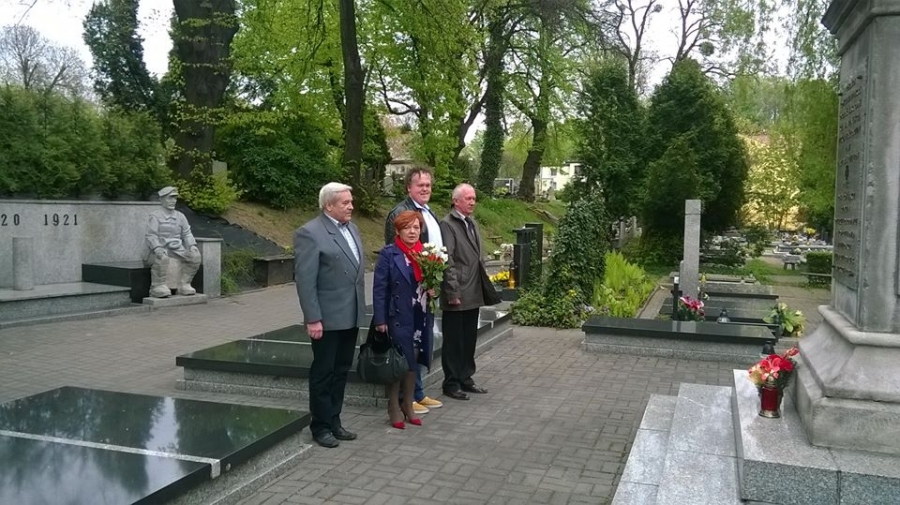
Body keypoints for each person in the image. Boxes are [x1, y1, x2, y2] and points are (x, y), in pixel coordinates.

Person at [293, 182, 366, 448]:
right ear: (328, 205)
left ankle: (335, 421)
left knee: (341, 370)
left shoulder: (352, 229)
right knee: (324, 372)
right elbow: (305, 281)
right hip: (327, 318)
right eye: (345, 202)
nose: (351, 206)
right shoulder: (310, 233)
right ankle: (320, 426)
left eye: (351, 201)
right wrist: (313, 318)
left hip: (350, 314)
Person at [383, 167, 444, 414]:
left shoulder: (428, 211)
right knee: (407, 344)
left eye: (428, 185)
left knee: (420, 340)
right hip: (407, 293)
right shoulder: (401, 212)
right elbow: (393, 254)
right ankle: (404, 398)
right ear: (409, 187)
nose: (425, 189)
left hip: (424, 290)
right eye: (420, 185)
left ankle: (417, 393)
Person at [372, 210, 435, 429]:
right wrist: (380, 320)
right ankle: (393, 406)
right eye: (407, 227)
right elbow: (379, 289)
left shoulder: (425, 254)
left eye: (416, 227)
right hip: (398, 315)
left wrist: (434, 290)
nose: (412, 231)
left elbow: (431, 282)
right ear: (398, 231)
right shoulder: (389, 254)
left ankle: (408, 404)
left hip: (420, 315)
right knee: (398, 362)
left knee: (412, 361)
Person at [439, 183, 492, 400]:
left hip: (473, 290)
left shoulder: (471, 222)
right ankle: (451, 383)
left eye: (474, 198)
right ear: (456, 201)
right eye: (468, 198)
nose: (472, 202)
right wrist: (452, 292)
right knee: (454, 340)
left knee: (469, 338)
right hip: (458, 291)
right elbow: (447, 259)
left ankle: (466, 378)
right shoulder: (448, 224)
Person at [144, 186, 202, 298]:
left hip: (177, 249)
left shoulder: (180, 216)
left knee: (195, 257)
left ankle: (185, 284)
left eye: (175, 198)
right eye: (170, 198)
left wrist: (192, 245)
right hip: (159, 248)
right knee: (162, 258)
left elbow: (187, 233)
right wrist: (157, 248)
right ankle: (157, 286)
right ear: (161, 199)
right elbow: (151, 235)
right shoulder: (155, 216)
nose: (173, 201)